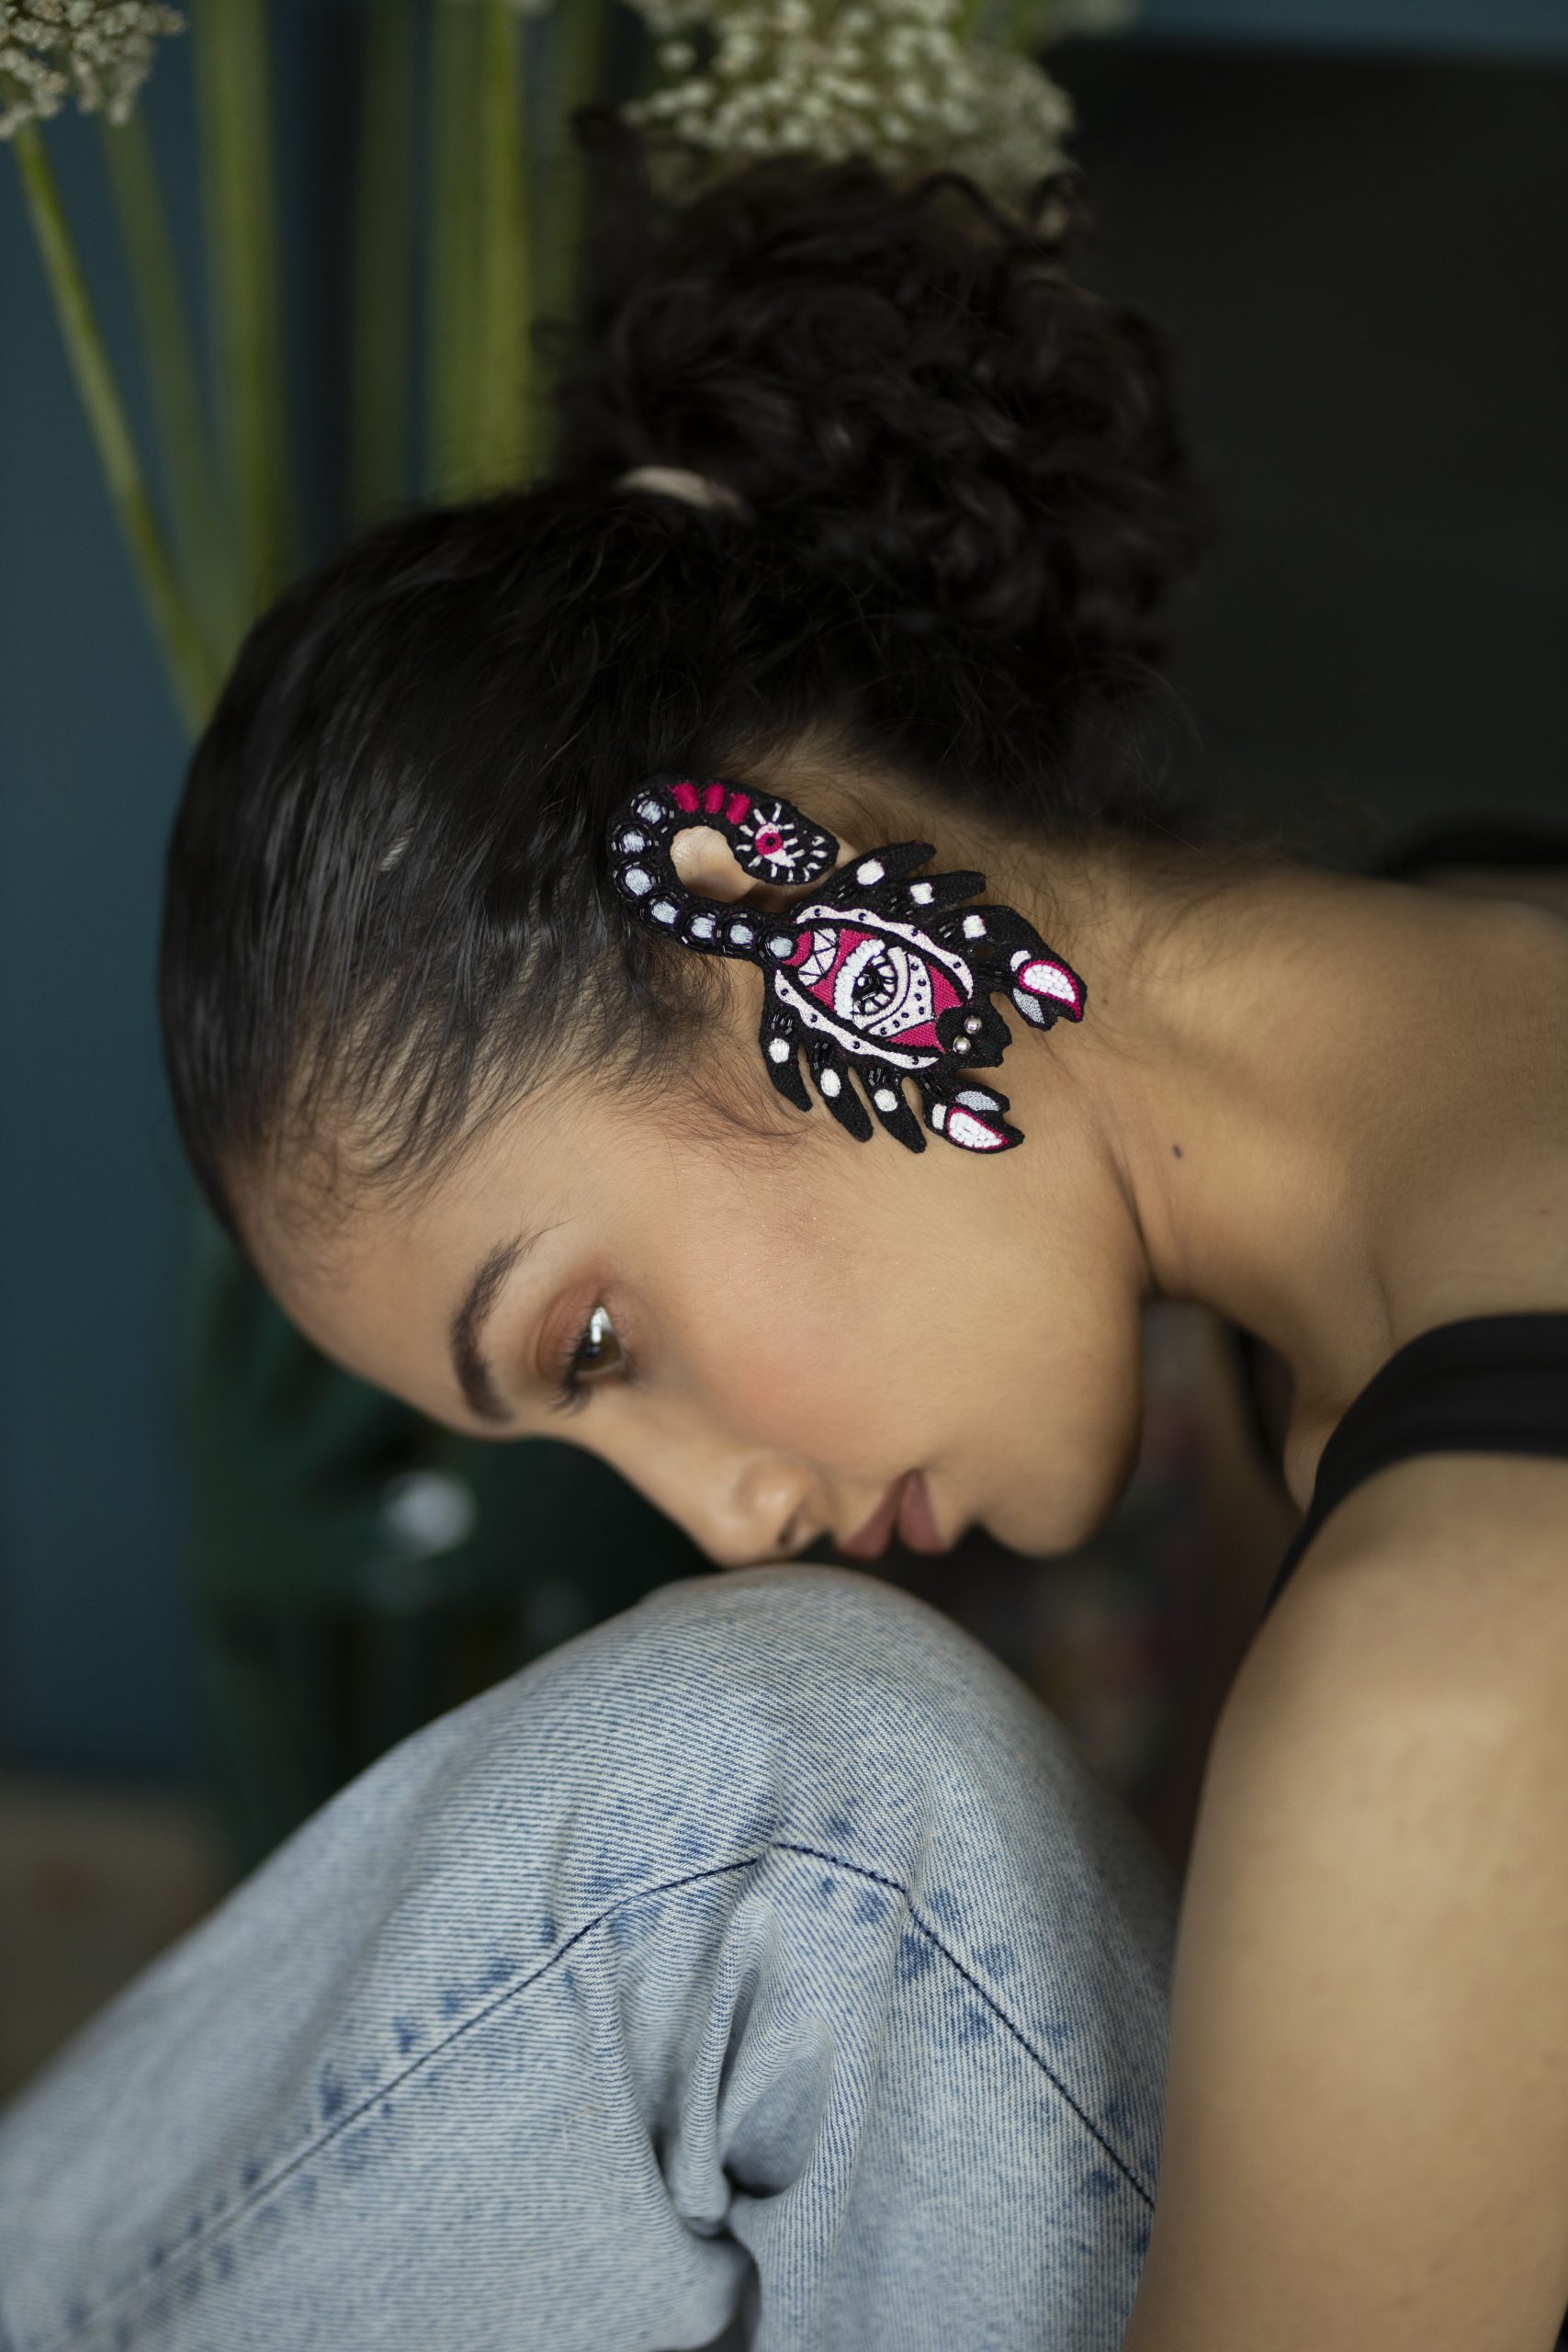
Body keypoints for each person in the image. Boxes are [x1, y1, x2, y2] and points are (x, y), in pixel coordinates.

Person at [3, 141, 1566, 2352]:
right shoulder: (1456, 1023)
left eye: (592, 1336)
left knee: (769, 1793)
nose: (728, 1521)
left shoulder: (1451, 1670)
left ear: (760, 883)